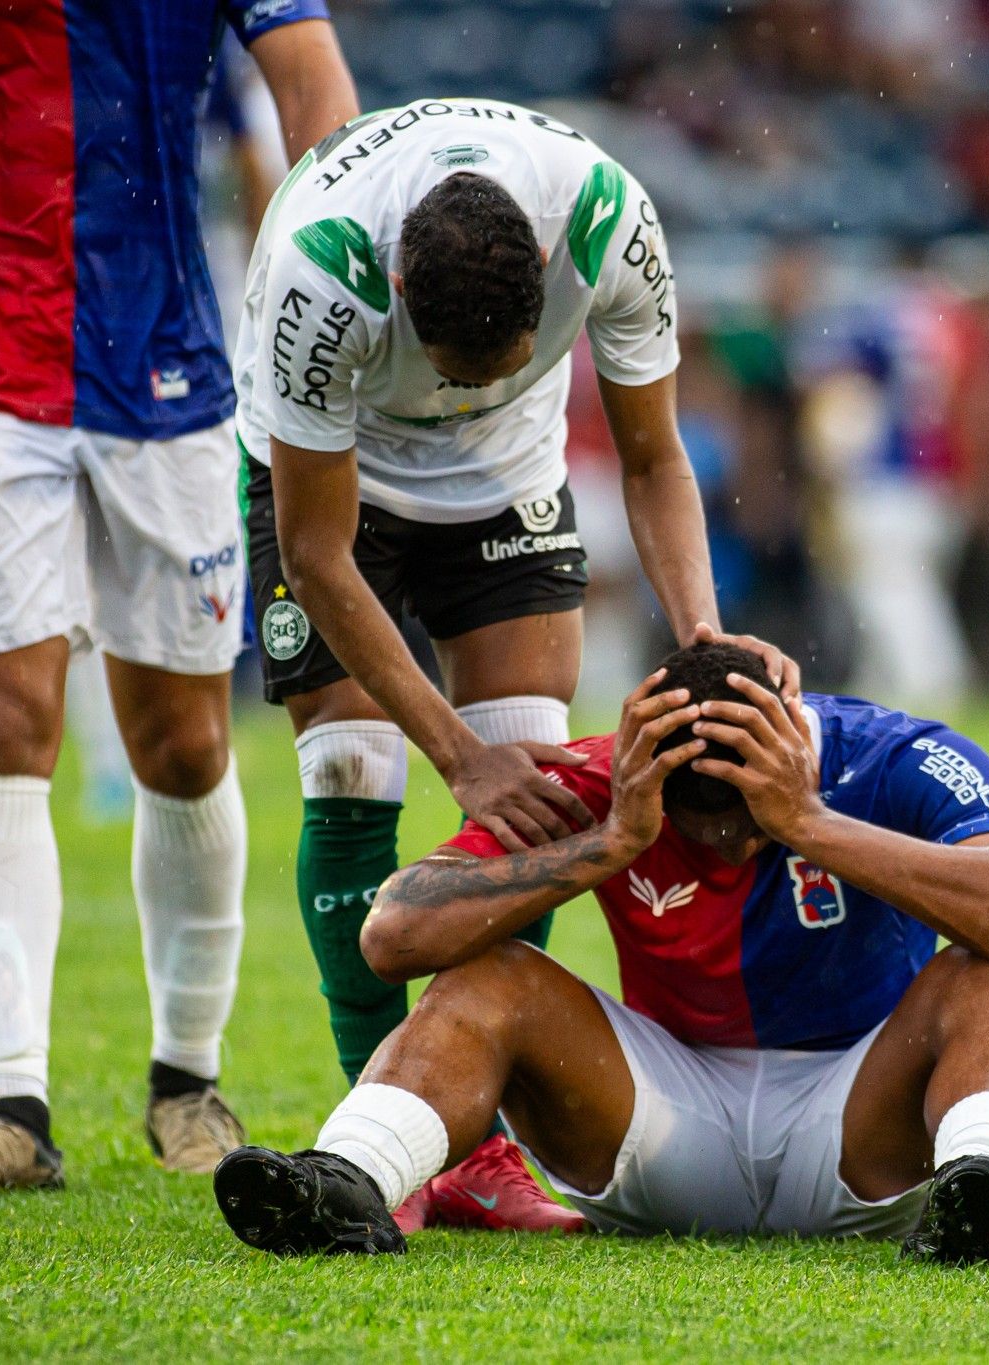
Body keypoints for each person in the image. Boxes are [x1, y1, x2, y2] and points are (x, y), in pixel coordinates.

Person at [0, 0, 360, 1194]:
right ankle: (13, 1105)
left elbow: (311, 91)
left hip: (171, 369)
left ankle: (184, 1082)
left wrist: (333, 303)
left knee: (185, 743)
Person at [234, 99, 794, 1227]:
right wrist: (448, 753)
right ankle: (383, 1140)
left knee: (528, 768)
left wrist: (703, 640)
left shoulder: (605, 219)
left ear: (547, 269)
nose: (468, 387)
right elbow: (316, 553)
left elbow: (652, 457)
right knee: (352, 768)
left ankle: (474, 1150)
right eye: (453, 368)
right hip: (336, 473)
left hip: (505, 476)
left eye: (501, 362)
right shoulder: (321, 269)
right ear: (396, 289)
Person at [211, 642, 989, 1264]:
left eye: (748, 822)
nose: (729, 850)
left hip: (863, 1119)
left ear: (794, 749)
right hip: (667, 1123)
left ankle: (977, 1189)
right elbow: (392, 935)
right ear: (648, 770)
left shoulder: (901, 756)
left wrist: (808, 823)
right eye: (695, 824)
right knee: (491, 971)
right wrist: (610, 840)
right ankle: (346, 1180)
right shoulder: (608, 778)